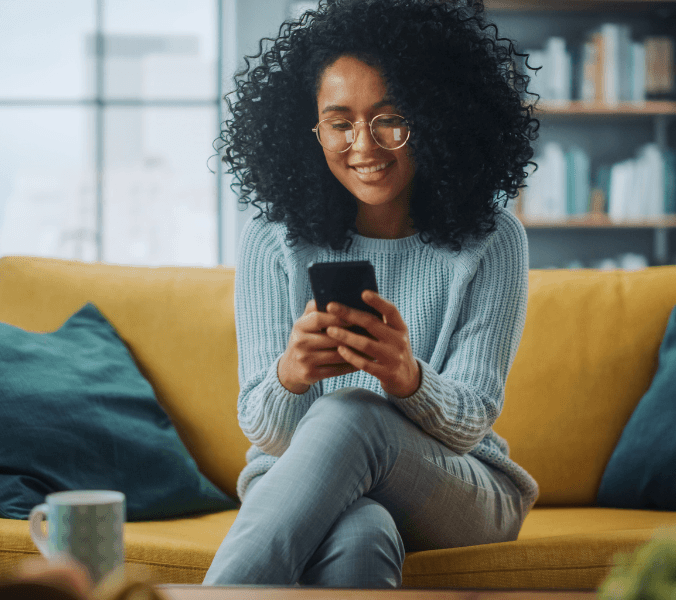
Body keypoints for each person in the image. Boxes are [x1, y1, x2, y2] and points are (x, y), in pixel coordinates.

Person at [202, 0, 540, 589]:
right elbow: (268, 433)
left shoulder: (493, 239)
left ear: (438, 117)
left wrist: (408, 378)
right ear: (310, 129)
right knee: (362, 536)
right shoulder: (272, 241)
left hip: (458, 487)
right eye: (339, 122)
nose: (364, 145)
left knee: (352, 412)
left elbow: (470, 424)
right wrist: (290, 374)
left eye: (390, 118)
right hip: (303, 486)